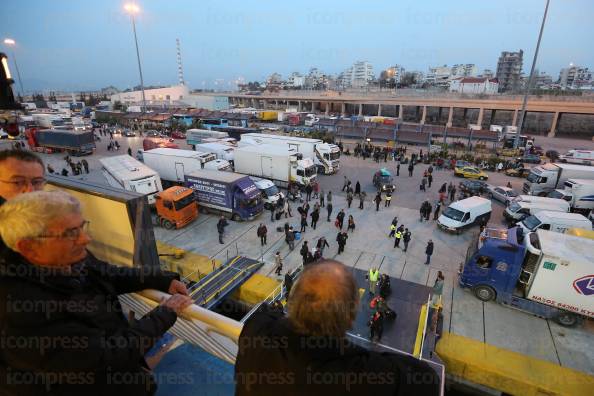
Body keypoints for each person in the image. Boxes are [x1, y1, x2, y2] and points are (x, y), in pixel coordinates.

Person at [0, 191, 193, 396]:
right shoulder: (19, 310)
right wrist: (166, 312)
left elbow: (108, 274)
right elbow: (106, 356)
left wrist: (161, 279)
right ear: (29, 247)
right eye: (71, 233)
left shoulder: (65, 260)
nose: (86, 239)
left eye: (82, 227)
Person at [235, 260, 440, 395]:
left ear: (292, 302)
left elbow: (268, 314)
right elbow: (427, 379)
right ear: (350, 317)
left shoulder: (255, 332)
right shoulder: (365, 377)